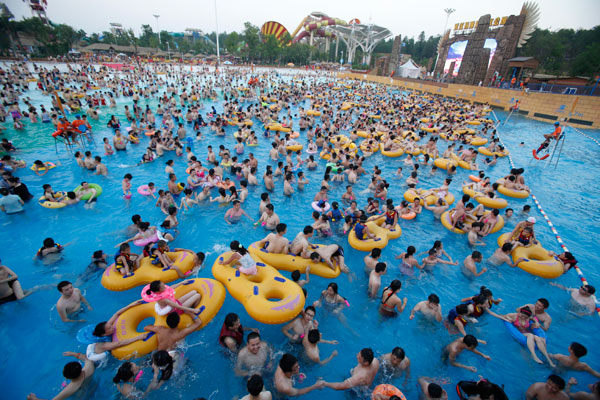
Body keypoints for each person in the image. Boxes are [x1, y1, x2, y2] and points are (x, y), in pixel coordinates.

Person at [27, 352, 95, 400]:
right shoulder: (89, 367)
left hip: (80, 396)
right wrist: (73, 354)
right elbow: (87, 358)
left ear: (67, 377)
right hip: (91, 385)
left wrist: (35, 399)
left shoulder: (70, 388)